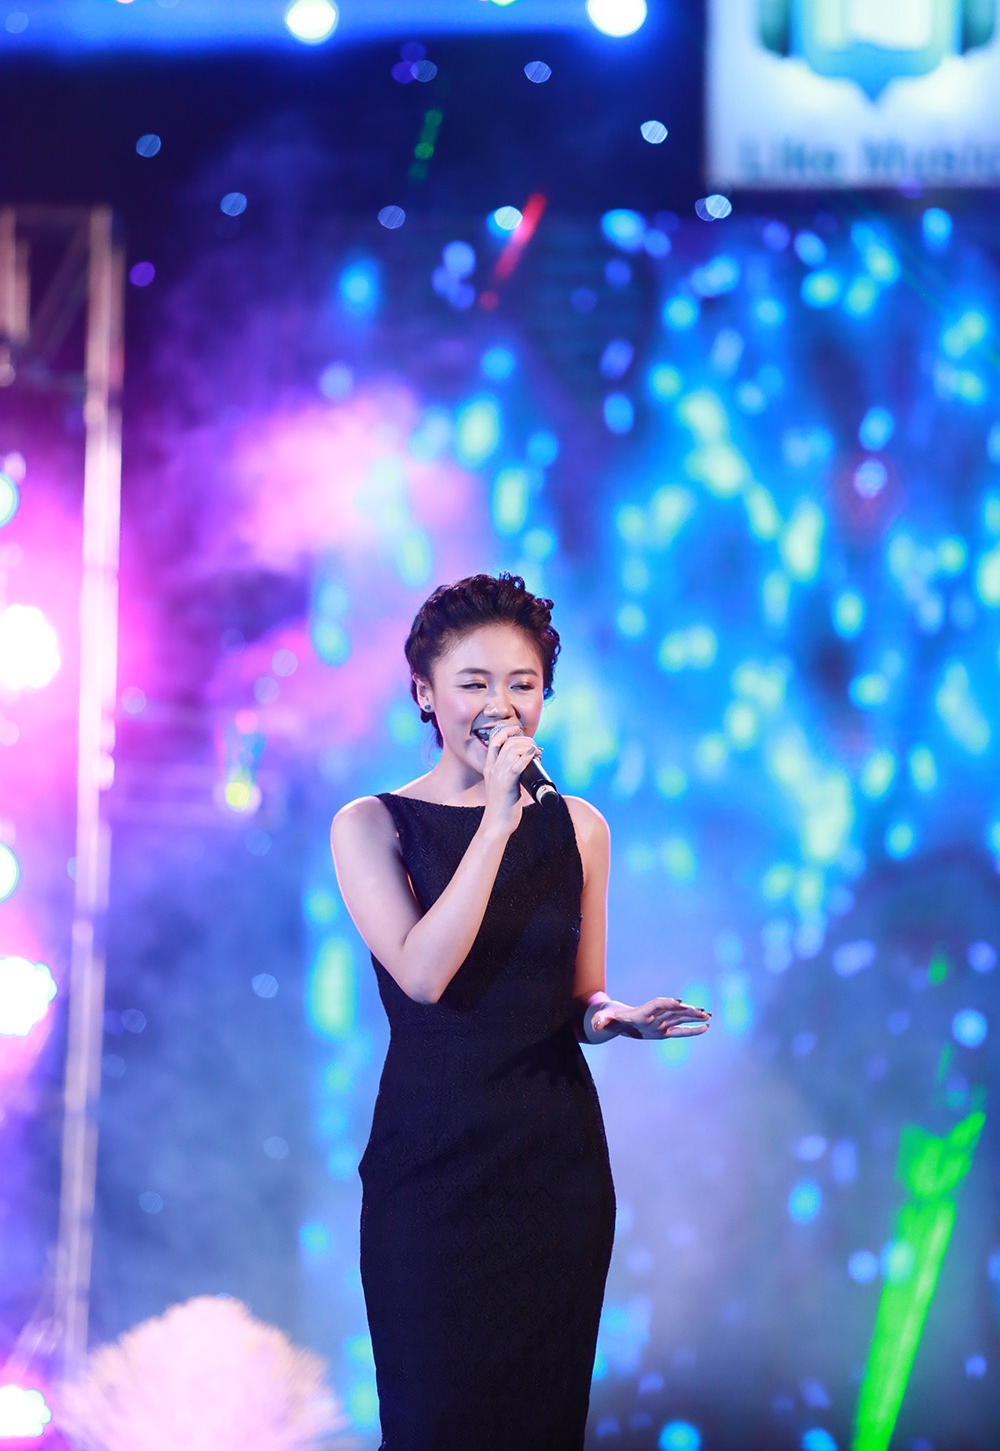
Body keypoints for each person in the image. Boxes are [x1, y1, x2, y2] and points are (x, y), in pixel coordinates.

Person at [331, 573, 711, 1451]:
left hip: (553, 1167)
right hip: (432, 1167)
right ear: (424, 693)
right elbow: (425, 974)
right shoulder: (371, 825)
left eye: (522, 684)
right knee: (431, 1424)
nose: (499, 706)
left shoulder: (580, 828)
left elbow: (579, 995)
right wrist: (497, 820)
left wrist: (617, 1017)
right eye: (473, 683)